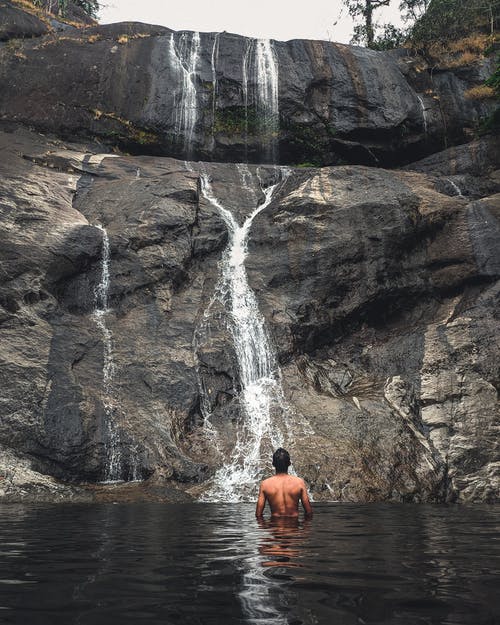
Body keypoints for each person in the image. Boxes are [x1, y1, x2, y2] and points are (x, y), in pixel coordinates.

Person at [255, 448, 313, 519]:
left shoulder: (265, 484)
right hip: (294, 527)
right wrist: (302, 529)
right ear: (289, 464)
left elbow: (258, 514)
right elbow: (309, 512)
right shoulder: (299, 482)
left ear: (273, 464)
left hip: (275, 527)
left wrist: (268, 528)